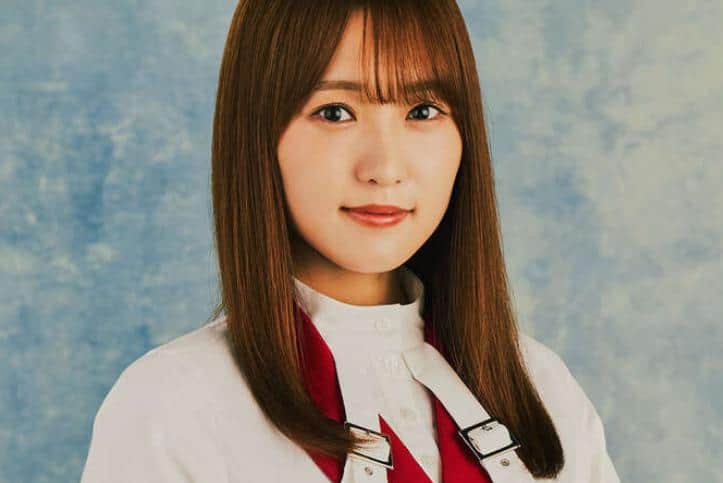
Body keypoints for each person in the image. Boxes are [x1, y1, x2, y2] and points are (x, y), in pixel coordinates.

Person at [79, 1, 621, 482]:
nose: (385, 168)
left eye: (422, 111)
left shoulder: (540, 385)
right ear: (258, 135)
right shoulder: (174, 406)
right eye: (335, 112)